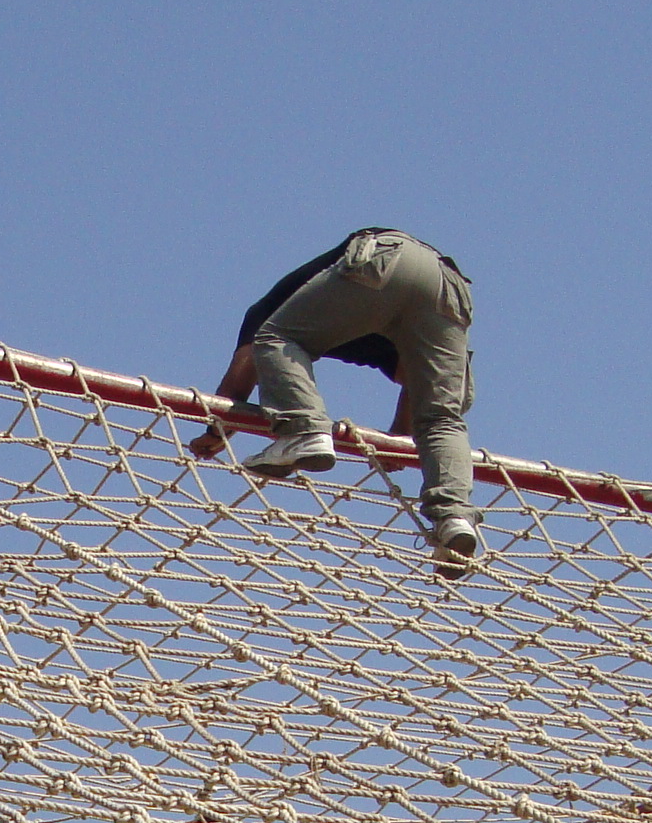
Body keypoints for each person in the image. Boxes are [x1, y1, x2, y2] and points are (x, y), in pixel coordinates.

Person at [186, 231, 484, 576]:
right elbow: (413, 381)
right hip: (448, 283)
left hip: (387, 257)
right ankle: (454, 519)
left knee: (276, 336)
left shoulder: (275, 308)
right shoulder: (362, 318)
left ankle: (305, 432)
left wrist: (216, 433)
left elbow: (243, 372)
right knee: (441, 417)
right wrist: (398, 440)